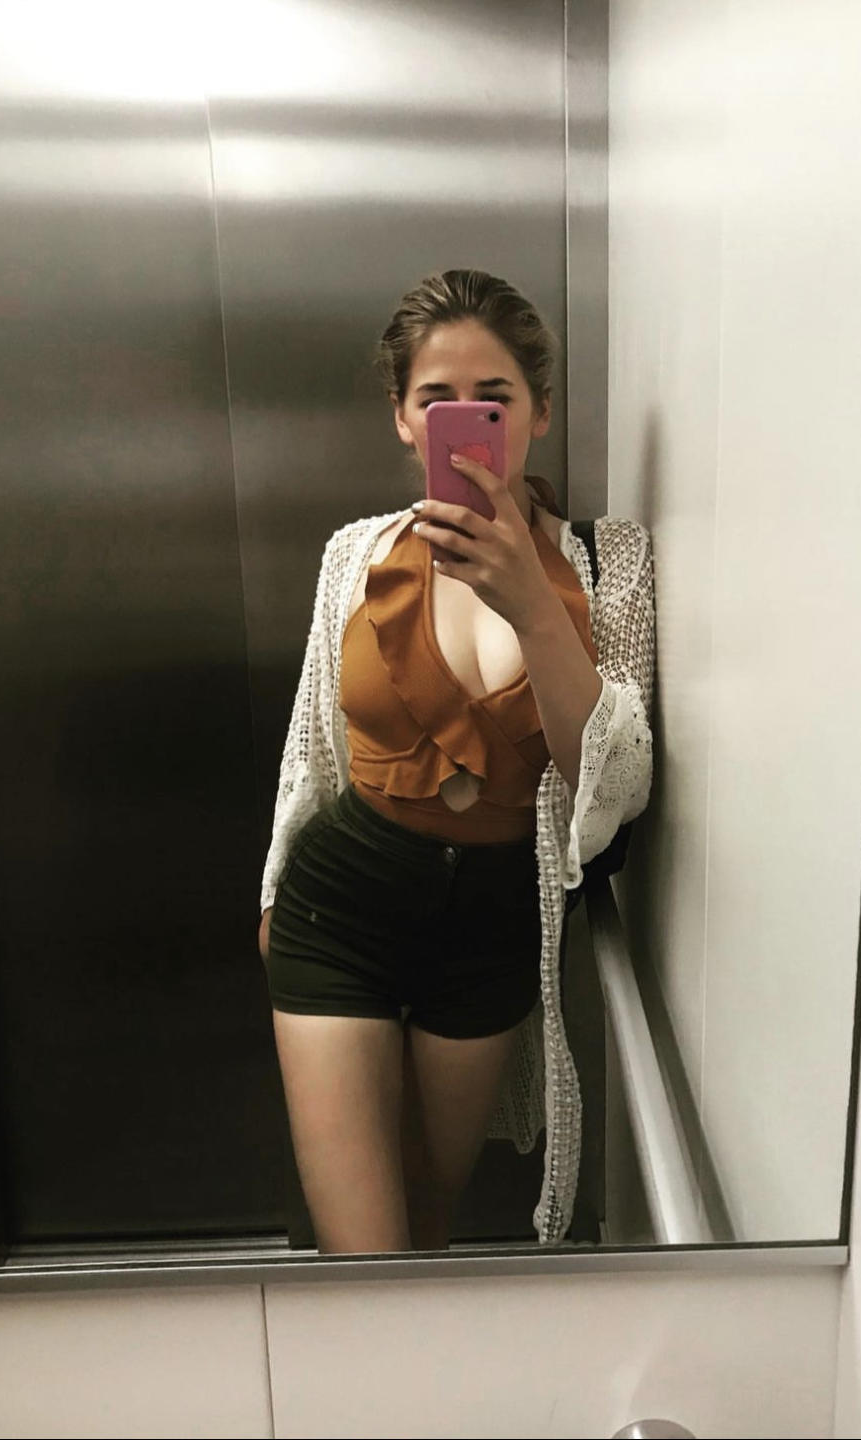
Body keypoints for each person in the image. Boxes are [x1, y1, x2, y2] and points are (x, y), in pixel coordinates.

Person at [258, 269, 655, 1254]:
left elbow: (614, 791)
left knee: (428, 1224)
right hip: (338, 910)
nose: (468, 424)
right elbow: (312, 747)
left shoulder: (611, 563)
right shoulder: (356, 555)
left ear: (540, 412)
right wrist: (272, 892)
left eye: (494, 399)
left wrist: (532, 605)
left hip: (489, 933)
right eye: (438, 400)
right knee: (364, 1249)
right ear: (403, 418)